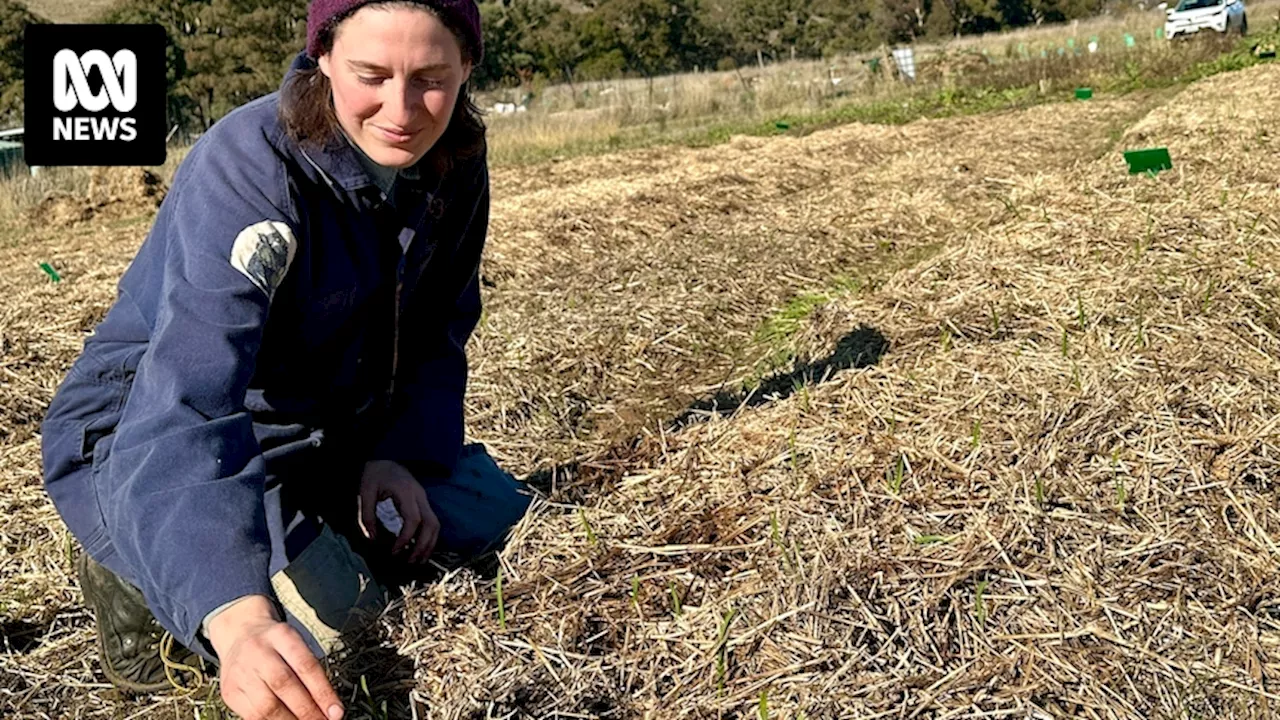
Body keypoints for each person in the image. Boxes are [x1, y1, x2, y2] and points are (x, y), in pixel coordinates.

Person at [39, 2, 531, 718]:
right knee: (340, 627)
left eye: (431, 77)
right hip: (158, 426)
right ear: (323, 55)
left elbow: (435, 329)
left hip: (324, 422)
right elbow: (193, 395)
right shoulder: (250, 168)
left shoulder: (454, 160)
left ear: (467, 68)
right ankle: (135, 561)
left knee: (495, 515)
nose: (401, 109)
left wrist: (394, 455)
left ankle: (293, 530)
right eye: (371, 74)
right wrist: (237, 619)